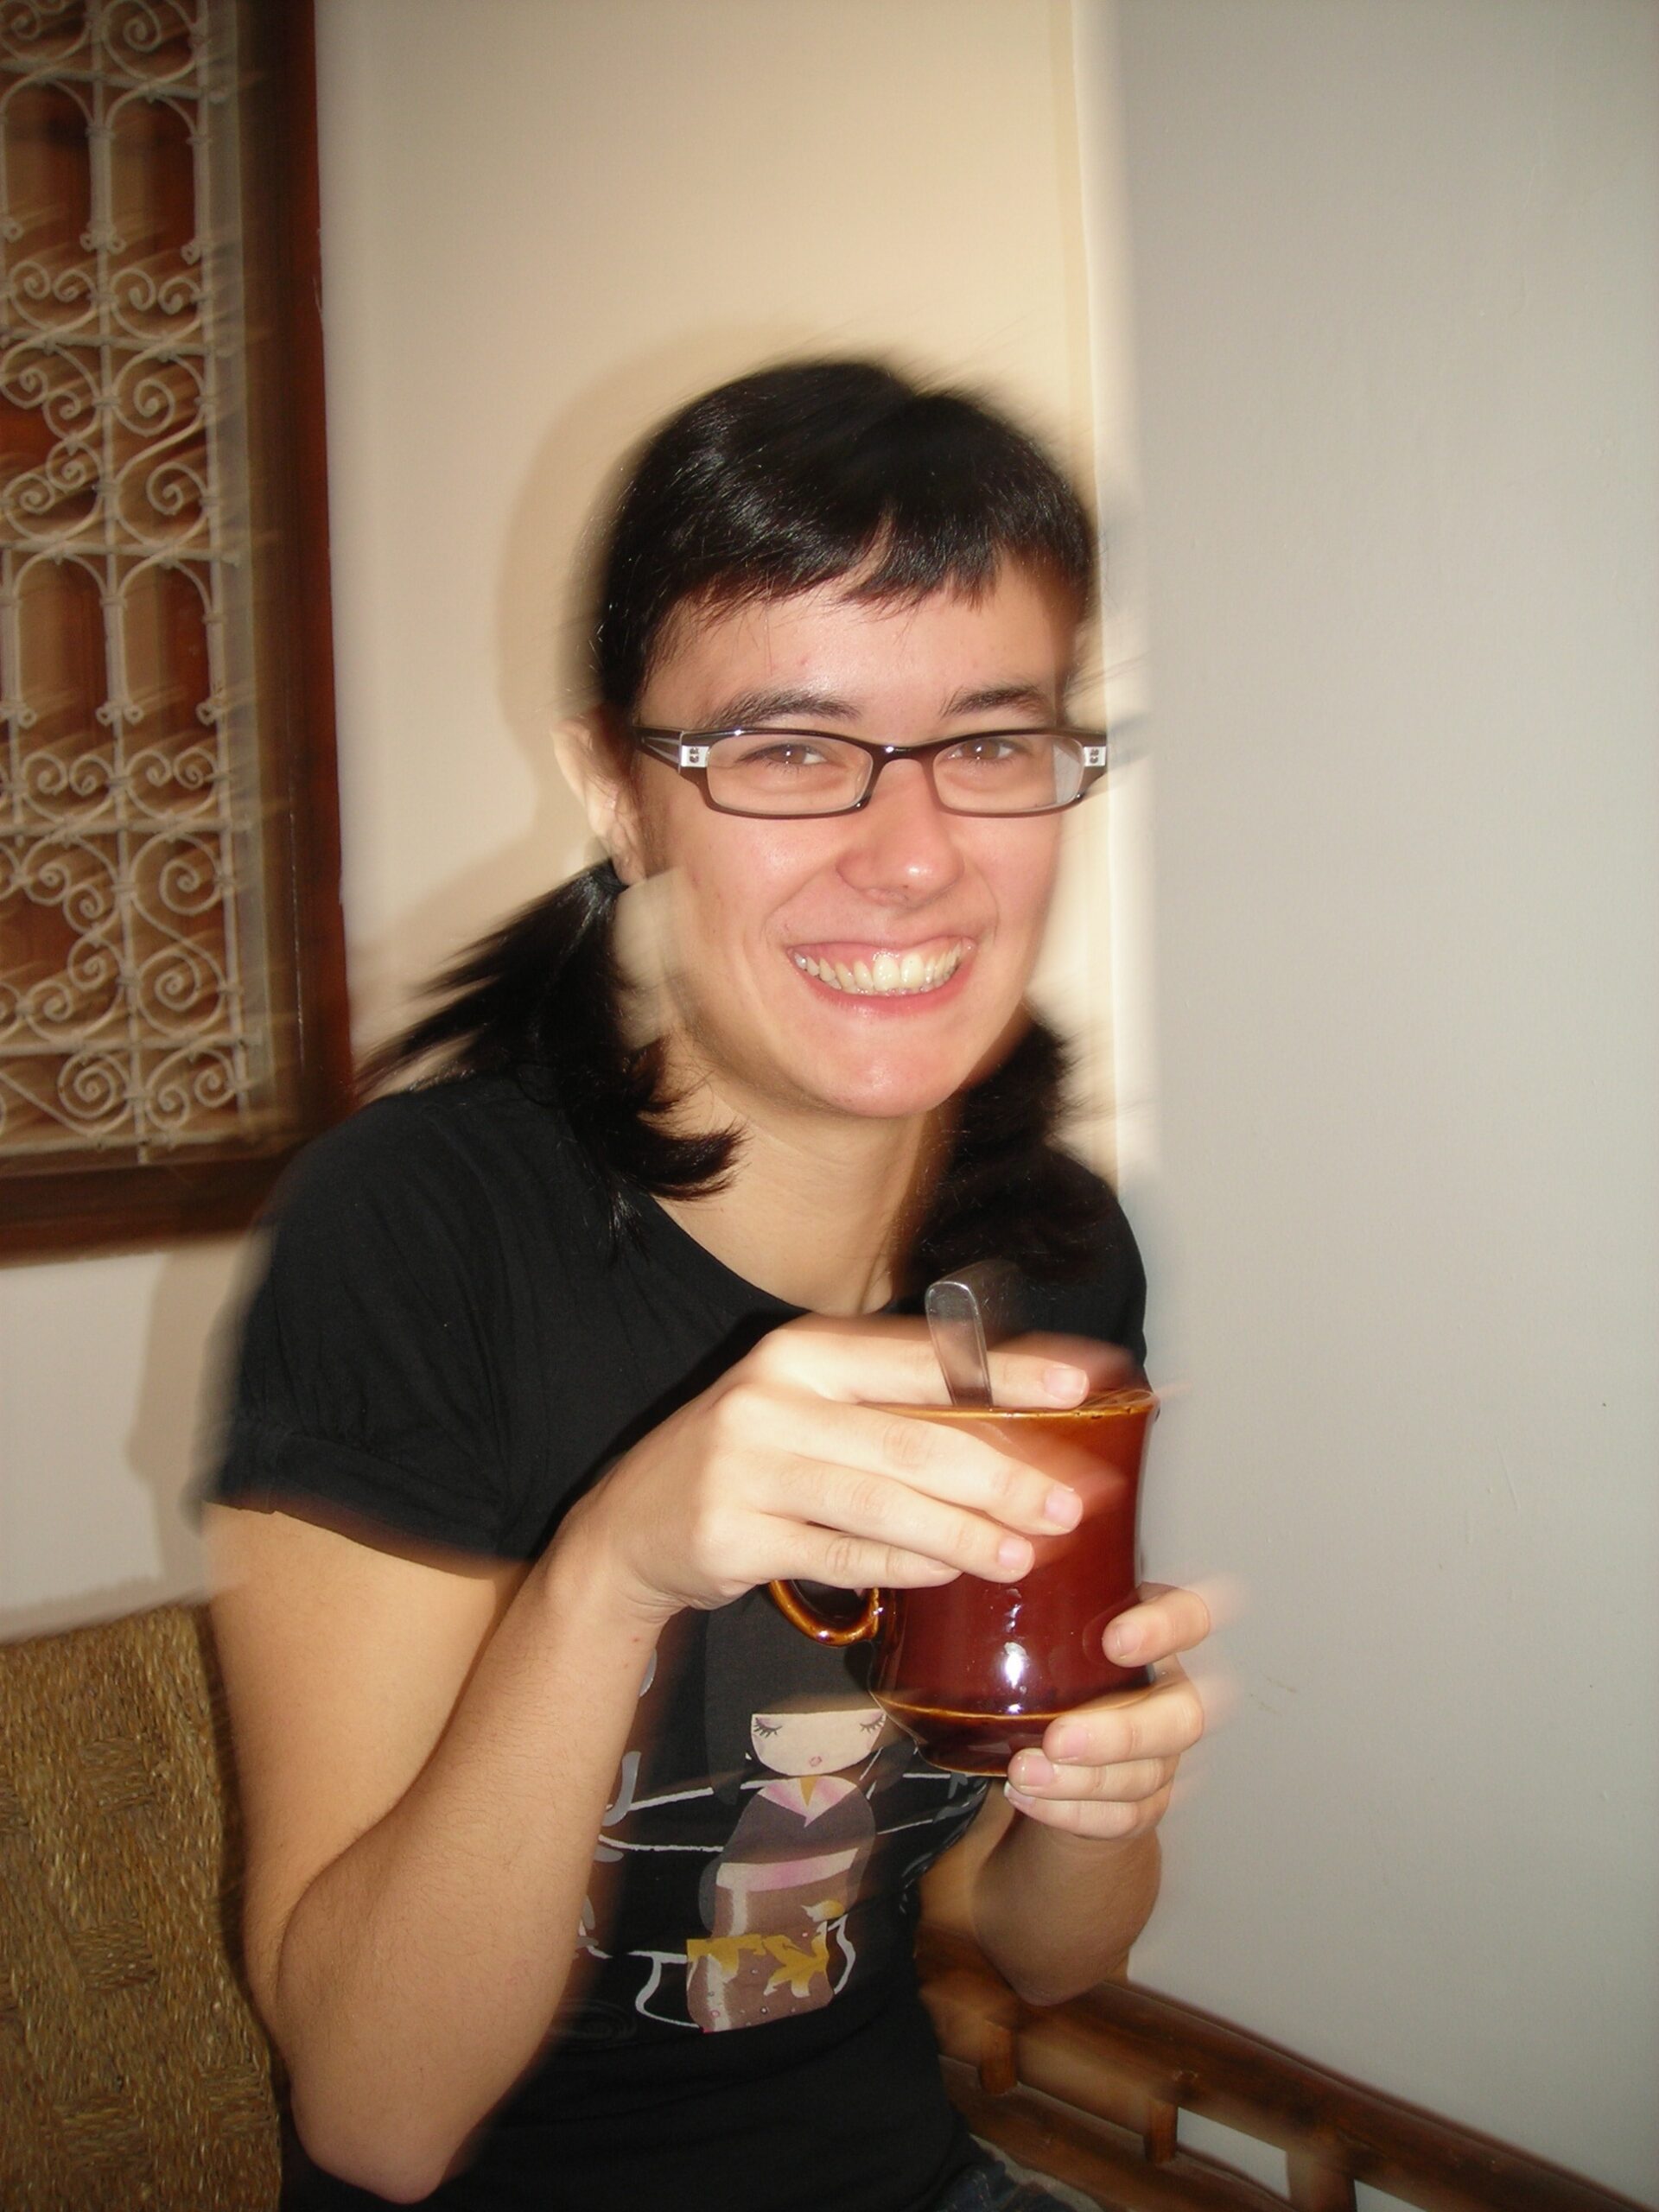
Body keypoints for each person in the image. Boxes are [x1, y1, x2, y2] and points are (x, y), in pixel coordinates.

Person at [202, 359, 1210, 2212]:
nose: (916, 855)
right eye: (791, 749)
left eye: (991, 743)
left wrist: (1102, 1801)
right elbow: (373, 2115)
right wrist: (615, 1568)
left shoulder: (1058, 1254)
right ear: (619, 789)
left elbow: (1033, 1945)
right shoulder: (416, 1237)